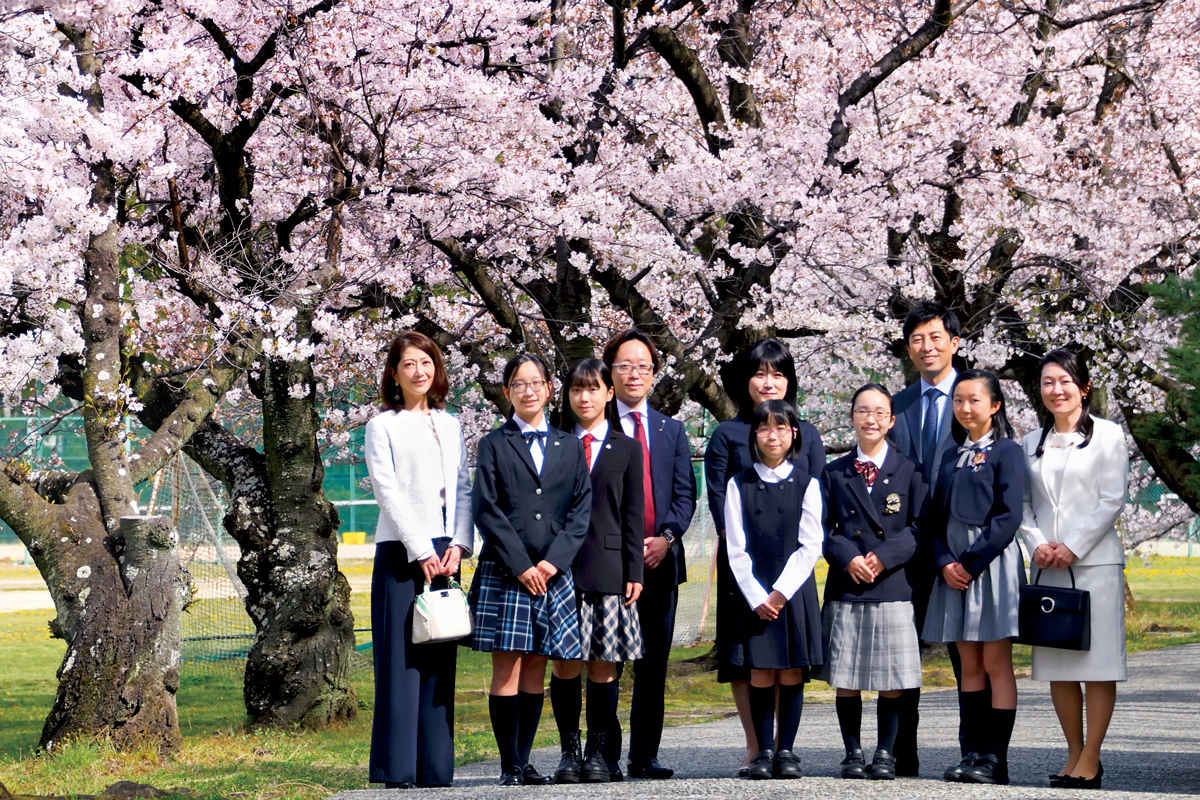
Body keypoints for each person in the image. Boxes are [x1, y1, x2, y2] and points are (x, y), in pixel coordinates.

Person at [470, 353, 593, 786]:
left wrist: (551, 563)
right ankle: (508, 766)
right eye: (518, 384)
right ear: (507, 392)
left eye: (535, 382)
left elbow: (580, 511)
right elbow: (486, 509)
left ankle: (525, 761)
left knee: (538, 666)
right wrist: (522, 565)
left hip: (552, 574)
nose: (528, 391)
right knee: (507, 668)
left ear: (548, 389)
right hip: (507, 572)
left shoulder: (569, 445)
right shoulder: (493, 444)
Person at [704, 339, 825, 775]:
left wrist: (781, 587)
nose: (768, 382)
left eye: (777, 373)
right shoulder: (726, 434)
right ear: (745, 380)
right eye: (759, 373)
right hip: (745, 567)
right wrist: (753, 583)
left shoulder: (806, 432)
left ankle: (783, 747)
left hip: (791, 572)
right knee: (748, 661)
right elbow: (720, 500)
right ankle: (756, 746)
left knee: (788, 661)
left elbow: (815, 501)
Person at [365, 331, 475, 789]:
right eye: (408, 364)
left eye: (426, 362)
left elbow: (464, 487)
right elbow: (386, 492)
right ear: (395, 372)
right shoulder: (381, 425)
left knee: (438, 660)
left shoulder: (450, 424)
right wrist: (421, 549)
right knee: (400, 663)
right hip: (401, 550)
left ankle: (435, 768)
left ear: (437, 368)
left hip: (447, 552)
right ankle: (399, 770)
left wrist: (460, 543)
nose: (419, 371)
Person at [1020, 349, 1129, 790]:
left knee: (1097, 664)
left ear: (1082, 387)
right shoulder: (1030, 442)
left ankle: (1092, 756)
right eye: (1048, 382)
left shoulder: (1108, 435)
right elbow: (1023, 505)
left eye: (1065, 381)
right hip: (1047, 565)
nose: (1056, 390)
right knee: (1058, 663)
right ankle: (1072, 753)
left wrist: (1073, 546)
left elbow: (1112, 499)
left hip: (1095, 564)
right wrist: (1038, 544)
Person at [818, 384, 927, 781]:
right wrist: (849, 557)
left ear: (892, 420)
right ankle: (852, 752)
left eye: (880, 412)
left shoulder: (911, 470)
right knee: (846, 677)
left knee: (892, 677)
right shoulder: (833, 472)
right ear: (851, 417)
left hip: (894, 584)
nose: (871, 419)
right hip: (848, 584)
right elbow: (824, 528)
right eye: (863, 411)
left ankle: (885, 752)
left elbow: (919, 527)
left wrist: (883, 557)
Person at [601, 329, 697, 780]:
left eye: (642, 366)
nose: (634, 374)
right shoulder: (597, 426)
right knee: (608, 662)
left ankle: (645, 755)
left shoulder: (670, 429)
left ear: (654, 374)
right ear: (610, 373)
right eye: (624, 366)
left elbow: (685, 496)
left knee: (652, 664)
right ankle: (606, 754)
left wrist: (667, 539)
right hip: (609, 565)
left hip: (660, 564)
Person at [923, 370, 1025, 785]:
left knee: (996, 662)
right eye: (959, 400)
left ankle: (994, 758)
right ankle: (970, 753)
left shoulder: (1008, 452)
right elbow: (932, 519)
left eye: (975, 400)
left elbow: (1008, 517)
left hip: (990, 565)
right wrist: (946, 561)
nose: (965, 408)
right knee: (968, 663)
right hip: (953, 572)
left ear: (995, 405)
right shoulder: (950, 455)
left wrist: (970, 561)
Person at [550, 359, 646, 784]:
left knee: (603, 666)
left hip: (609, 568)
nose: (584, 398)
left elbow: (633, 514)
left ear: (610, 393)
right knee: (564, 665)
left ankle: (597, 753)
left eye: (592, 389)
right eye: (575, 390)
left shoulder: (626, 448)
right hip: (561, 569)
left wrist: (635, 571)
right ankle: (568, 752)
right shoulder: (555, 444)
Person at [889, 300, 966, 775]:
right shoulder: (898, 405)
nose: (927, 346)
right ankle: (902, 752)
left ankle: (976, 751)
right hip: (910, 543)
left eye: (936, 337)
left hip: (959, 543)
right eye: (917, 339)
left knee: (967, 651)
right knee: (904, 646)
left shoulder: (976, 395)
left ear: (955, 343)